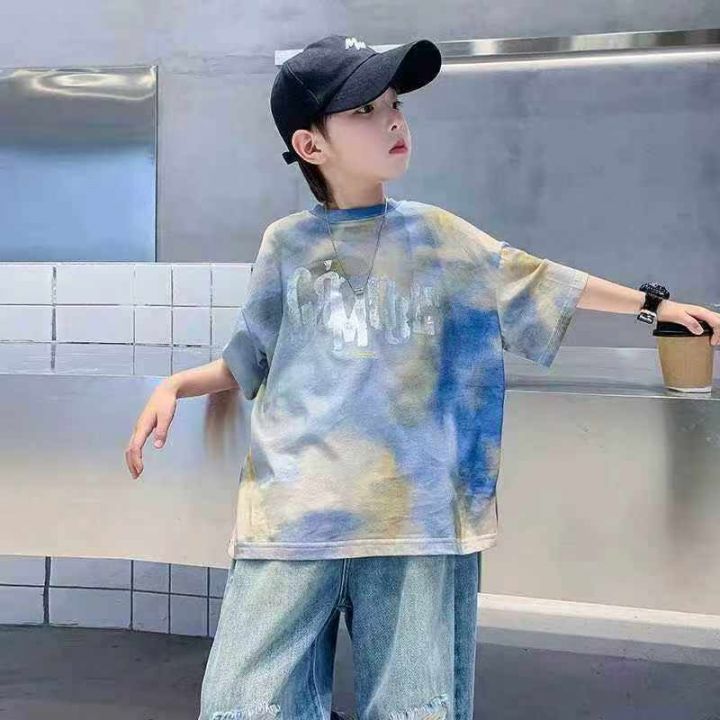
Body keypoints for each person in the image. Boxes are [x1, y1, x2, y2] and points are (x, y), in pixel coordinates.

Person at [125, 34, 720, 720]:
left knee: (415, 709)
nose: (392, 121)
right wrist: (174, 385)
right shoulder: (285, 243)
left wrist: (654, 307)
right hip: (296, 514)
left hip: (417, 521)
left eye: (394, 104)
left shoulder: (439, 236)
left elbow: (538, 279)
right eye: (364, 111)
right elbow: (250, 356)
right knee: (242, 704)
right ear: (310, 145)